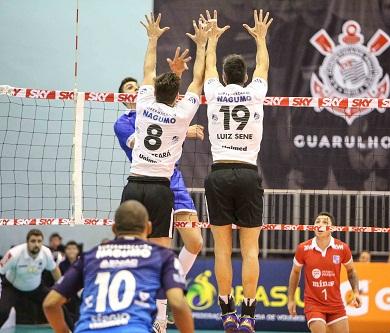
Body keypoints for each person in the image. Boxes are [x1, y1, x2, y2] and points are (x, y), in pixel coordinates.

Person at [119, 12, 207, 333]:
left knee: (129, 249)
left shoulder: (142, 104)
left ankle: (137, 310)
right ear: (176, 96)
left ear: (153, 91)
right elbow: (197, 82)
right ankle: (157, 314)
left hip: (133, 185)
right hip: (159, 187)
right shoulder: (182, 114)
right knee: (159, 255)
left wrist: (153, 39)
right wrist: (203, 44)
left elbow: (146, 71)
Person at [202, 9, 272, 332]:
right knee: (250, 250)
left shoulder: (214, 92)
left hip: (218, 174)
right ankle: (249, 313)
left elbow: (207, 71)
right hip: (247, 173)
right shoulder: (256, 92)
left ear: (224, 77)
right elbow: (264, 66)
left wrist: (211, 41)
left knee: (221, 249)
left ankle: (226, 310)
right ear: (244, 78)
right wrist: (260, 38)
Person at [43, 200, 194, 333]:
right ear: (148, 228)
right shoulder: (162, 256)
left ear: (114, 228)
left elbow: (50, 304)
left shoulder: (90, 256)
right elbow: (178, 304)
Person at [287, 212, 361, 333]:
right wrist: (291, 299)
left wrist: (356, 293)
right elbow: (295, 272)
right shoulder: (303, 248)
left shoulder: (342, 248)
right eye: (317, 222)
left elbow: (351, 271)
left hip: (335, 304)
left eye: (325, 222)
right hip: (314, 304)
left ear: (331, 228)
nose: (320, 224)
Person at [0, 229, 68, 328]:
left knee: (57, 304)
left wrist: (62, 288)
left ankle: (73, 330)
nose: (36, 244)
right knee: (3, 312)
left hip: (36, 288)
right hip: (13, 288)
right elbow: (1, 270)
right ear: (27, 242)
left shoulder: (46, 252)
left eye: (39, 241)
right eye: (33, 241)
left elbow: (54, 270)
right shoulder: (13, 254)